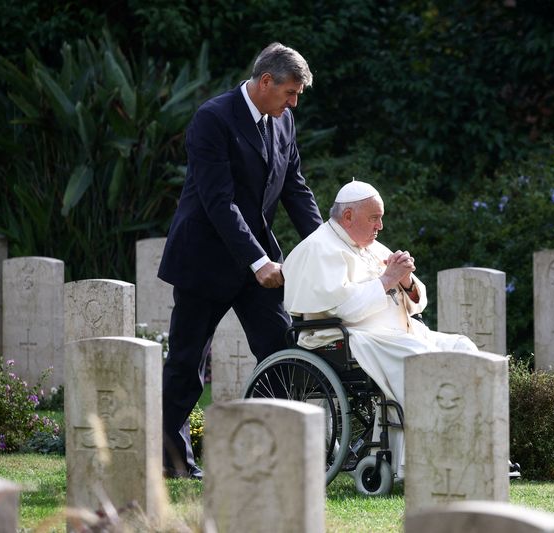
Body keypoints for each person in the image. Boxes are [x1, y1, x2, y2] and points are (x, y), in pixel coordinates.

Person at [158, 43, 323, 479]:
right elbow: (218, 201)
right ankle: (170, 463)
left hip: (257, 262)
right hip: (205, 259)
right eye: (289, 92)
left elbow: (296, 189)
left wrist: (329, 246)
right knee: (186, 367)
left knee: (282, 355)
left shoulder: (284, 120)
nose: (293, 102)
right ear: (265, 81)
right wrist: (258, 261)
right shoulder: (213, 118)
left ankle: (281, 456)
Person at [282, 180, 478, 479]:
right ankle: (423, 461)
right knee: (418, 356)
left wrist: (406, 281)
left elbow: (417, 301)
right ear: (348, 216)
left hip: (398, 333)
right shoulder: (318, 248)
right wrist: (387, 279)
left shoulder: (372, 247)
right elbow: (343, 310)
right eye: (374, 217)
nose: (381, 226)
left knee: (462, 347)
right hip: (346, 339)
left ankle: (471, 450)